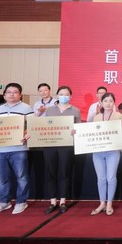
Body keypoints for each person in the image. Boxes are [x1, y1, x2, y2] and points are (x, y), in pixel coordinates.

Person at [0, 83, 33, 215]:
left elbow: (33, 125)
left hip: (19, 148)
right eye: (9, 92)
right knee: (3, 179)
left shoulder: (26, 108)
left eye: (15, 92)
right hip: (0, 149)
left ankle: (21, 202)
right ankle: (4, 202)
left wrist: (27, 133)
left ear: (20, 95)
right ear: (4, 95)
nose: (12, 94)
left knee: (21, 178)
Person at [43, 85, 81, 214]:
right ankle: (53, 201)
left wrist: (75, 131)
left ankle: (63, 201)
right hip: (50, 145)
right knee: (51, 172)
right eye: (61, 94)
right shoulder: (49, 110)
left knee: (65, 173)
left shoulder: (75, 111)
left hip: (67, 145)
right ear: (57, 96)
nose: (64, 96)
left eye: (66, 94)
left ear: (70, 96)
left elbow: (79, 128)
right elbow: (44, 127)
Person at [90, 92, 122, 216]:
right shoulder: (96, 117)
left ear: (114, 102)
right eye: (105, 101)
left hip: (113, 151)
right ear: (101, 103)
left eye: (110, 101)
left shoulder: (119, 116)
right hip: (98, 151)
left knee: (111, 177)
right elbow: (91, 134)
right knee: (101, 179)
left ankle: (109, 203)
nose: (108, 103)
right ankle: (102, 203)